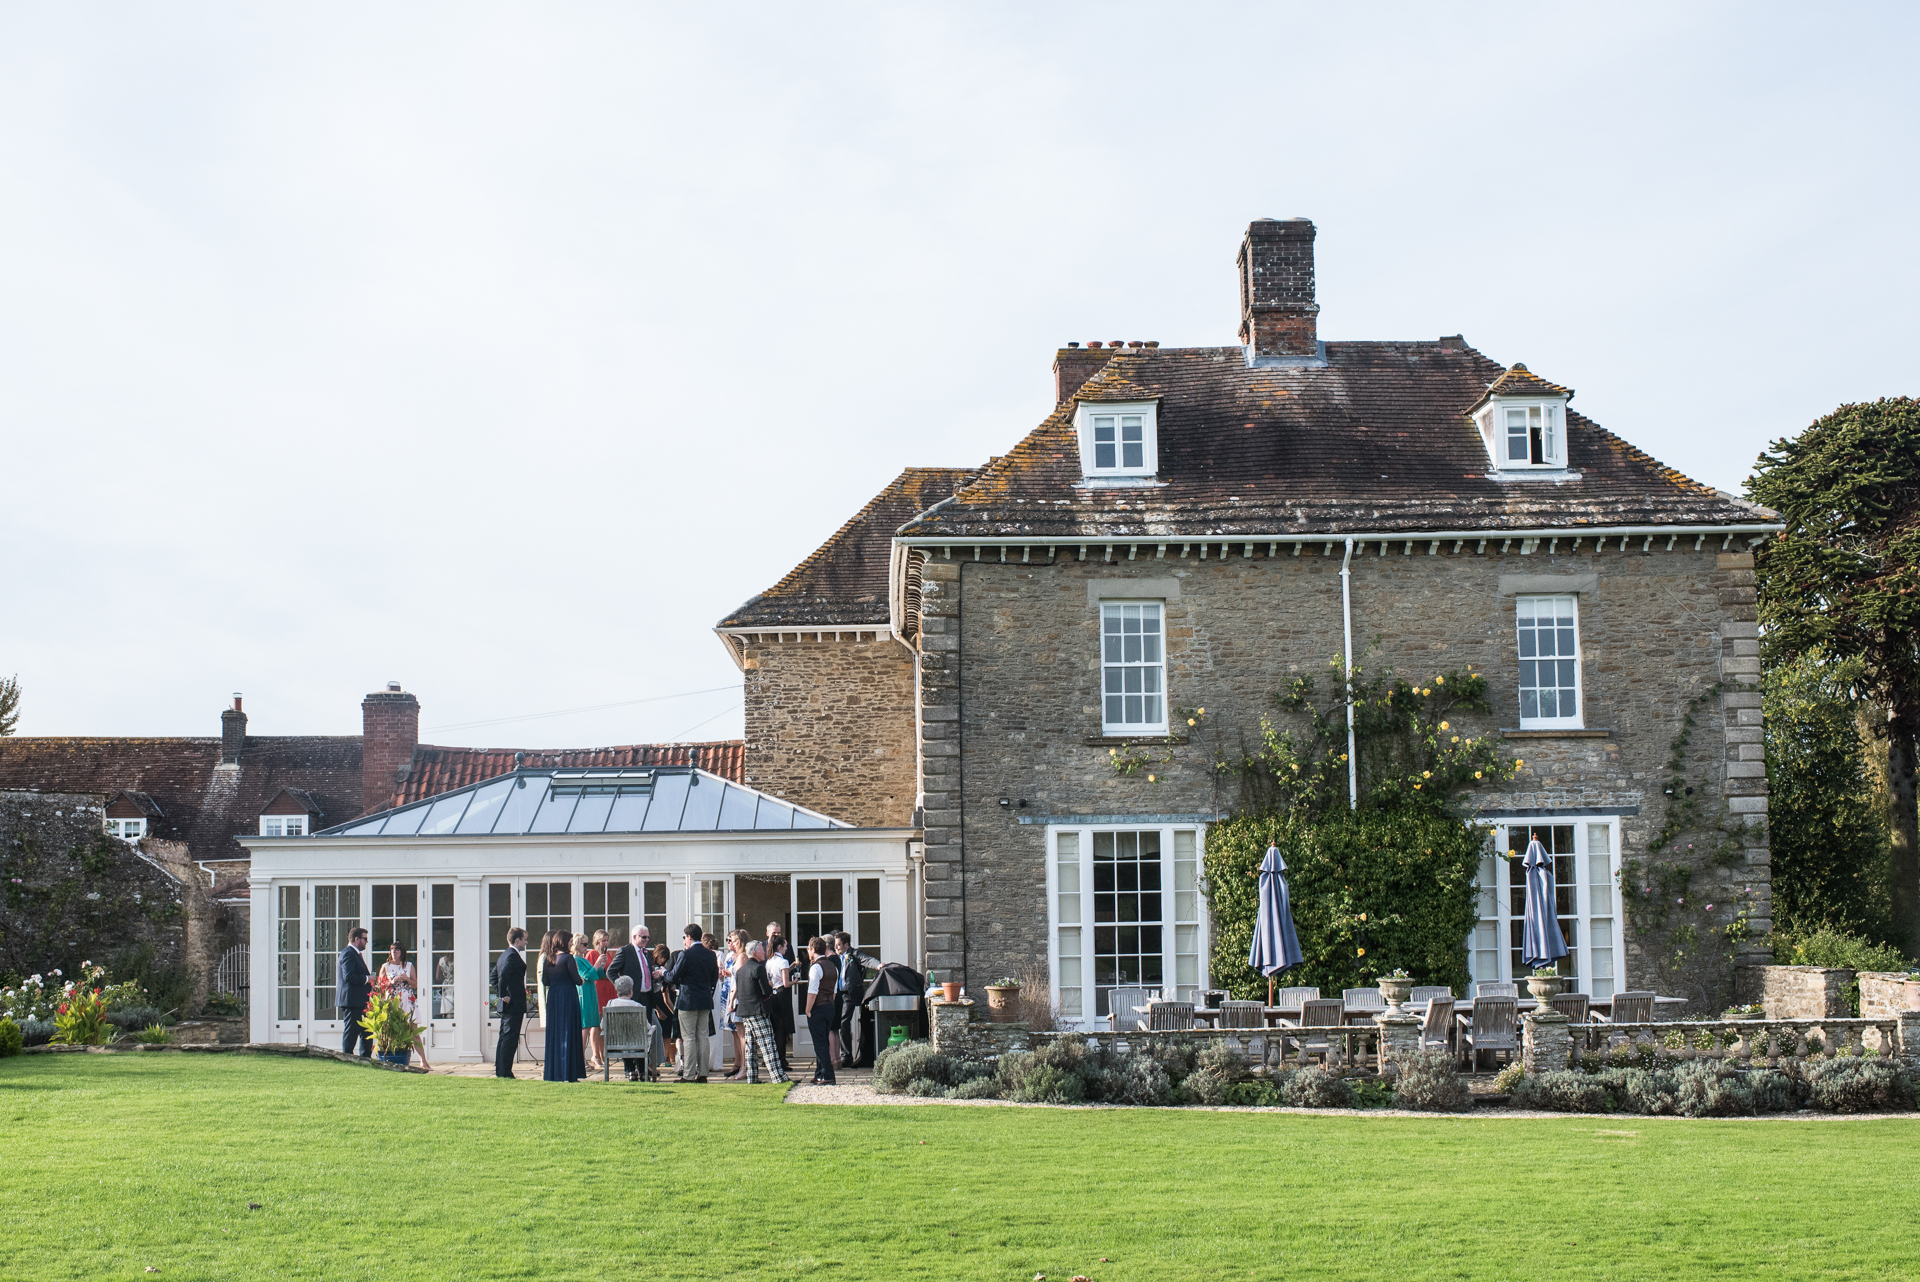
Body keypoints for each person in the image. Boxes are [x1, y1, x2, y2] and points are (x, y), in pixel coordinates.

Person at [663, 924, 718, 1082]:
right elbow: (714, 977)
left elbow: (673, 976)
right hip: (705, 999)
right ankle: (703, 1074)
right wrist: (709, 992)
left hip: (688, 1000)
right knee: (703, 1037)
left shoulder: (686, 955)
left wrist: (663, 972)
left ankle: (688, 1075)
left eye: (684, 937)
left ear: (688, 936)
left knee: (688, 1038)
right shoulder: (710, 955)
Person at [608, 925, 664, 1078]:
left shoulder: (646, 953)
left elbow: (642, 972)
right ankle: (629, 1069)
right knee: (628, 1034)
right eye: (643, 937)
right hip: (631, 998)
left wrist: (652, 976)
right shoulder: (625, 951)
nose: (646, 940)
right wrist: (622, 988)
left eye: (647, 937)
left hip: (646, 998)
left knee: (643, 1034)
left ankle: (643, 1067)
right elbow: (611, 971)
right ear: (634, 937)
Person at [734, 940, 786, 1084]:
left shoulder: (740, 970)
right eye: (762, 950)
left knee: (750, 1048)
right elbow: (766, 992)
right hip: (758, 1010)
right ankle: (778, 1077)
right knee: (768, 1044)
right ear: (755, 952)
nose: (764, 952)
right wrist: (770, 986)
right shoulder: (758, 969)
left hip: (745, 1011)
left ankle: (752, 1077)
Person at [541, 931, 586, 1082]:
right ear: (564, 941)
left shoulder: (548, 959)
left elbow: (545, 981)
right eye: (571, 941)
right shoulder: (568, 958)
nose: (572, 944)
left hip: (554, 997)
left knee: (555, 1033)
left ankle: (554, 1073)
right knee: (569, 1031)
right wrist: (581, 981)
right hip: (567, 995)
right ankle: (570, 1073)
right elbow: (577, 980)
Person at [834, 930, 880, 1069]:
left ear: (847, 945)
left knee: (846, 1021)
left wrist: (878, 965)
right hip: (837, 994)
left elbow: (867, 960)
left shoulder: (854, 954)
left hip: (850, 993)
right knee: (841, 1024)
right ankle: (845, 1056)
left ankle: (852, 1055)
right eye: (836, 945)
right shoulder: (834, 957)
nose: (836, 947)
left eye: (839, 945)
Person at [493, 927, 528, 1079]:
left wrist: (502, 994)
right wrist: (503, 995)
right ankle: (505, 1071)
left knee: (504, 1036)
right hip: (513, 1004)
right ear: (517, 940)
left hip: (509, 1004)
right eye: (525, 939)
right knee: (510, 1038)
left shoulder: (504, 955)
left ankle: (501, 1069)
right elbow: (501, 977)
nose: (526, 942)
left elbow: (493, 976)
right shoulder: (512, 956)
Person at [804, 937, 839, 1085]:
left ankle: (828, 1076)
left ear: (812, 949)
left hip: (818, 1008)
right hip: (830, 1007)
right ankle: (819, 1073)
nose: (808, 951)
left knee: (820, 1043)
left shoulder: (816, 968)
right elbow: (834, 992)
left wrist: (807, 1010)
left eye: (808, 949)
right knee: (823, 1040)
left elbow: (812, 992)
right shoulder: (833, 967)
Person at [604, 974, 648, 1081]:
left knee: (624, 1039)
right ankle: (642, 1071)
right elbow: (648, 1027)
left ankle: (631, 1071)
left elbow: (602, 1025)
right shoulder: (638, 1006)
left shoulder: (610, 1004)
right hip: (637, 1043)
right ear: (630, 991)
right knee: (639, 1040)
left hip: (616, 1043)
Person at [337, 926, 373, 1057]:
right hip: (352, 1001)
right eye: (365, 939)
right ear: (356, 939)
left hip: (361, 1001)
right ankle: (347, 1058)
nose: (366, 942)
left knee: (366, 1032)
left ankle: (366, 1059)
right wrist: (367, 978)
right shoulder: (348, 953)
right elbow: (349, 976)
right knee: (351, 1032)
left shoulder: (354, 953)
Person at [573, 934, 605, 1074]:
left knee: (591, 1025)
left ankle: (584, 1058)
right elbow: (586, 976)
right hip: (583, 994)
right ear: (577, 945)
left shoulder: (583, 959)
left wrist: (600, 966)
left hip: (590, 993)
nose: (586, 947)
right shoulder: (576, 960)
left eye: (587, 944)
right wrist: (597, 963)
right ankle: (580, 1059)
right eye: (584, 944)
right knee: (584, 1027)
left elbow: (596, 975)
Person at [719, 929, 748, 1079]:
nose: (731, 944)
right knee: (735, 1032)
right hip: (728, 992)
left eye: (734, 941)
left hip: (736, 997)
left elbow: (739, 979)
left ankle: (744, 1066)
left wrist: (732, 1001)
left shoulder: (743, 957)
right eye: (730, 941)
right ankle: (738, 1063)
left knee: (741, 1034)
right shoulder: (731, 956)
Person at [766, 933, 796, 1070]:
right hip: (782, 996)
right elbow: (785, 983)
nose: (786, 949)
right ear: (779, 946)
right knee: (782, 1029)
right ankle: (781, 1060)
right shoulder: (783, 961)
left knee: (775, 1028)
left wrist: (790, 968)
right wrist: (794, 981)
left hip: (772, 997)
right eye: (784, 946)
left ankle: (775, 1059)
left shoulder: (769, 961)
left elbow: (776, 976)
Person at [651, 943, 677, 1075]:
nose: (663, 960)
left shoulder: (668, 966)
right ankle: (657, 1057)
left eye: (665, 958)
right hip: (656, 998)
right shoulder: (650, 967)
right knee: (657, 1030)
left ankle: (667, 1056)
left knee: (667, 1030)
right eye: (661, 957)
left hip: (668, 997)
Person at [378, 941, 419, 1016]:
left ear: (402, 952)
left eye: (397, 950)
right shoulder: (386, 966)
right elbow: (380, 985)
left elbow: (415, 985)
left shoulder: (409, 966)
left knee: (410, 1023)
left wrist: (407, 979)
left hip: (407, 998)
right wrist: (391, 982)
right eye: (392, 950)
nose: (394, 952)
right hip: (392, 998)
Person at [589, 929, 617, 1013]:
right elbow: (590, 972)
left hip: (609, 985)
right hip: (599, 986)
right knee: (600, 1012)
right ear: (597, 941)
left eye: (607, 940)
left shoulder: (607, 954)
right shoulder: (592, 954)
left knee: (610, 1012)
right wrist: (600, 964)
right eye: (603, 940)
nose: (606, 943)